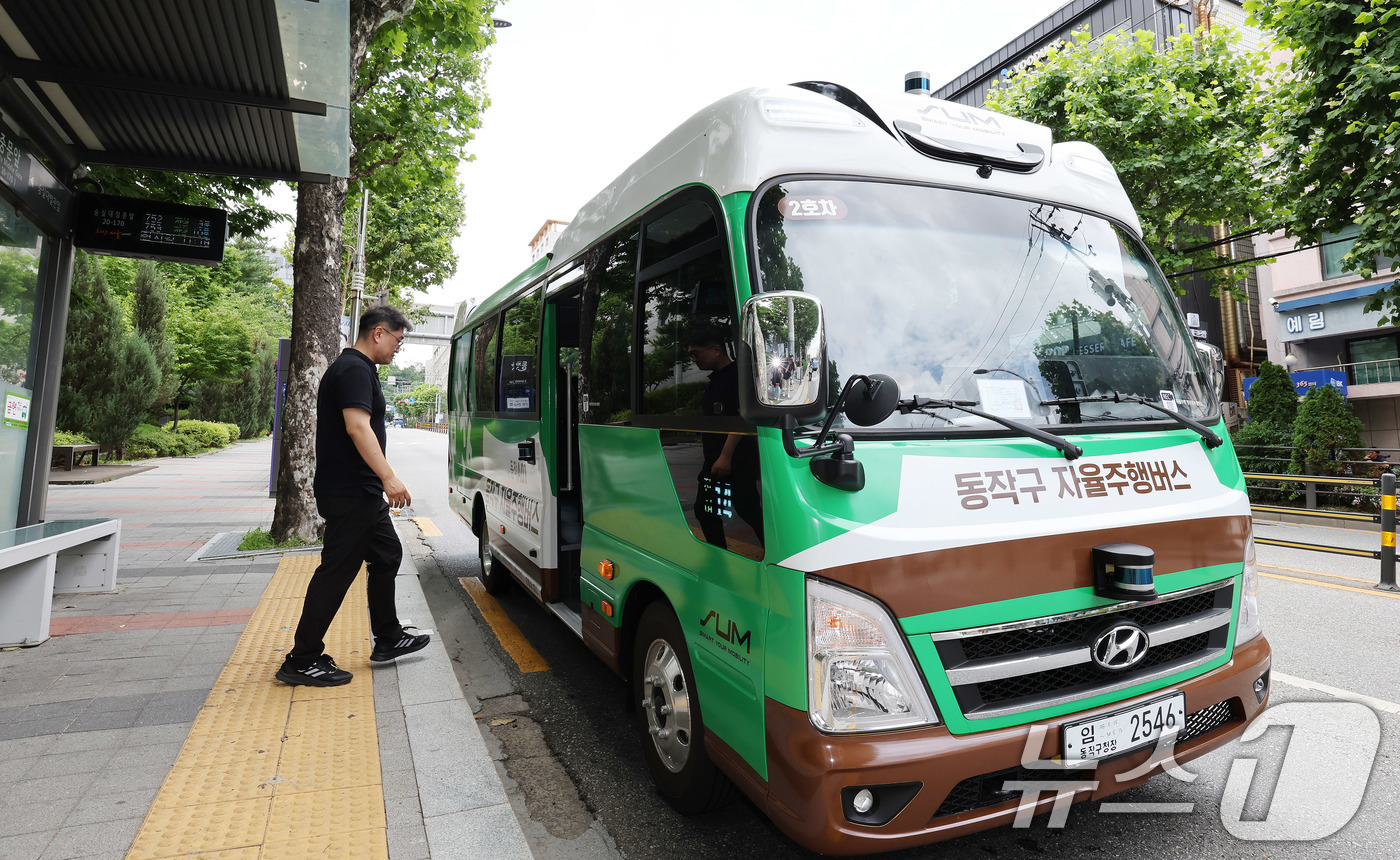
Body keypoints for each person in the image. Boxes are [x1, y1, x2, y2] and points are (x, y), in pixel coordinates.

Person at [276, 305, 430, 687]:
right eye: (397, 341)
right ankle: (302, 659)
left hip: (361, 491)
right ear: (378, 333)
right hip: (351, 492)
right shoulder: (354, 370)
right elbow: (358, 427)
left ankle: (389, 637)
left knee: (387, 554)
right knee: (337, 572)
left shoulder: (358, 369)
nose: (397, 349)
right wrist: (389, 477)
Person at [687, 330, 764, 550]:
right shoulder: (716, 379)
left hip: (735, 460)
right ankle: (720, 554)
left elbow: (743, 417)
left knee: (745, 508)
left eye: (696, 354)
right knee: (708, 510)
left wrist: (725, 456)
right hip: (716, 460)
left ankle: (777, 551)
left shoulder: (737, 376)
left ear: (716, 350)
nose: (694, 360)